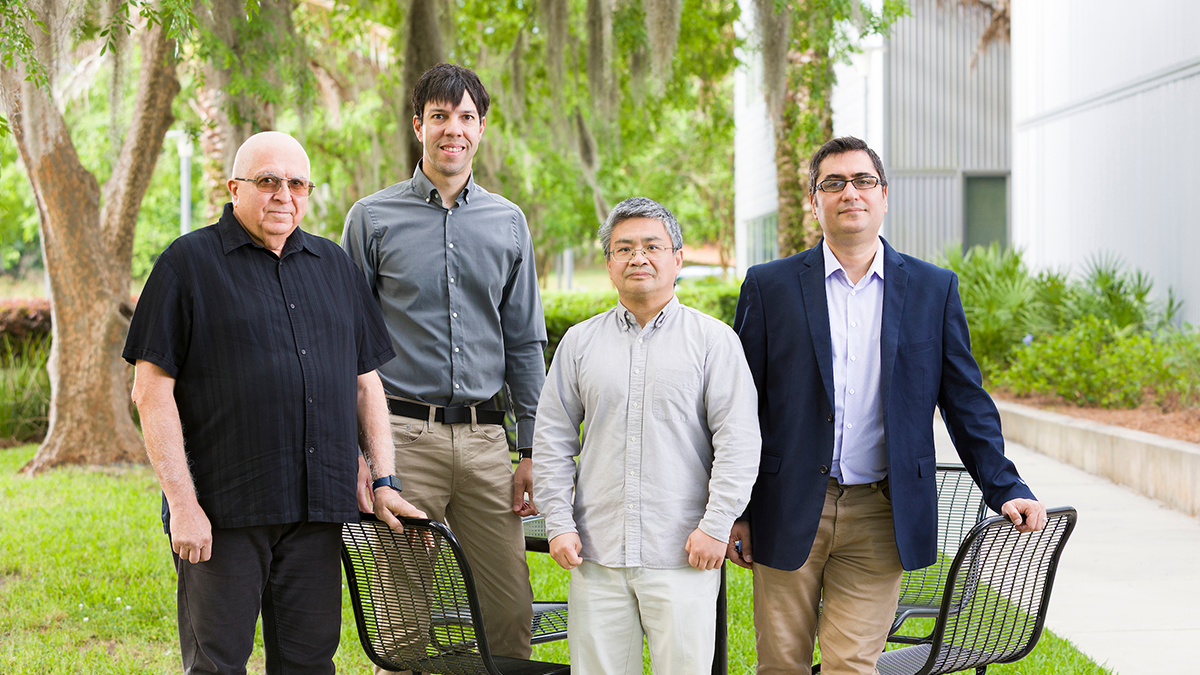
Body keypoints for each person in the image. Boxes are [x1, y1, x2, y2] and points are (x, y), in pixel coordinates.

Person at [730, 136, 1048, 675]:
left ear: (884, 196)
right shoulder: (769, 286)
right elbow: (740, 407)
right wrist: (737, 511)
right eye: (833, 183)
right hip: (785, 505)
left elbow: (965, 400)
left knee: (853, 665)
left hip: (882, 511)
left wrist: (1006, 485)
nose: (849, 192)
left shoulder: (933, 288)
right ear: (815, 202)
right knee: (780, 665)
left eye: (863, 181)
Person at [125, 131, 425, 675]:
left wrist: (384, 480)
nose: (282, 194)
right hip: (222, 511)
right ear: (234, 187)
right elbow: (150, 392)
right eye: (267, 181)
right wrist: (183, 505)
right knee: (218, 664)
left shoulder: (335, 267)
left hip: (316, 512)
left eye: (296, 183)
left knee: (309, 663)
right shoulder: (186, 265)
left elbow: (366, 384)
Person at [341, 63, 546, 662]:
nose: (452, 129)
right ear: (418, 126)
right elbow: (347, 347)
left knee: (507, 610)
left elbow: (525, 343)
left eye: (465, 117)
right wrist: (359, 456)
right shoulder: (372, 219)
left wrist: (529, 448)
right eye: (439, 116)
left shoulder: (508, 222)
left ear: (481, 128)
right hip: (401, 440)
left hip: (486, 444)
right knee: (402, 619)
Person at [534, 197, 761, 675]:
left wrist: (716, 525)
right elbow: (553, 439)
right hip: (596, 556)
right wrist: (558, 521)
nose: (639, 257)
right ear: (610, 264)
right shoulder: (579, 343)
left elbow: (739, 442)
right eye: (624, 248)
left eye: (652, 245)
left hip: (684, 553)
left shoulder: (714, 342)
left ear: (677, 258)